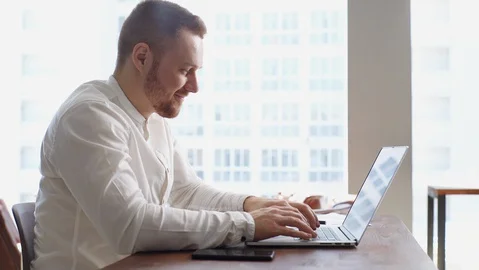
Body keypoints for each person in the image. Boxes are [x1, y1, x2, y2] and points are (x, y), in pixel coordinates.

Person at [33, 1, 319, 269]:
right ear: (142, 57)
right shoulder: (87, 117)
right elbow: (130, 225)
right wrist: (248, 224)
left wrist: (251, 205)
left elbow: (185, 192)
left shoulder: (153, 116)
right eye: (185, 70)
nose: (194, 87)